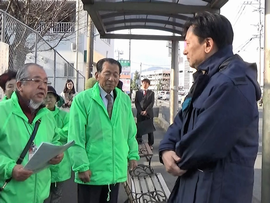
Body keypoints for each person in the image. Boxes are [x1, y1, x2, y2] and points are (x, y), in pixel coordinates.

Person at [159, 12, 261, 203]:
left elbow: (204, 142)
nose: (184, 50)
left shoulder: (233, 83)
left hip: (217, 193)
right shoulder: (206, 78)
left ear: (207, 44)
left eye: (188, 43)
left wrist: (175, 155)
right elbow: (181, 119)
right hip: (195, 188)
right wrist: (165, 148)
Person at [68, 58, 139, 203]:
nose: (111, 79)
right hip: (91, 173)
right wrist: (81, 166)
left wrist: (133, 154)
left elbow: (130, 132)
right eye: (107, 74)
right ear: (97, 75)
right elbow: (76, 136)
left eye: (115, 74)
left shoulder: (124, 100)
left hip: (115, 172)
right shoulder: (82, 100)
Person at [0, 63, 64, 203]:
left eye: (46, 82)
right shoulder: (2, 112)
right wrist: (10, 168)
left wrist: (57, 153)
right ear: (19, 85)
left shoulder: (47, 116)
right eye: (36, 81)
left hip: (41, 197)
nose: (43, 86)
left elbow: (55, 140)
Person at [44, 86, 71, 203]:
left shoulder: (64, 115)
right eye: (45, 97)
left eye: (51, 97)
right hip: (43, 163)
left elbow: (68, 132)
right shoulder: (39, 115)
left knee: (57, 195)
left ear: (56, 100)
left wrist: (51, 133)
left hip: (60, 163)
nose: (48, 100)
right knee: (41, 195)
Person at [135, 78, 155, 149]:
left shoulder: (151, 93)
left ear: (148, 85)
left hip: (148, 114)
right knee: (139, 128)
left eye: (146, 83)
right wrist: (140, 111)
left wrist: (146, 111)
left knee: (150, 129)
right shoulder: (138, 92)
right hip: (140, 114)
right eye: (143, 83)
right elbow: (136, 103)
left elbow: (152, 103)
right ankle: (139, 143)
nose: (144, 84)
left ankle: (150, 144)